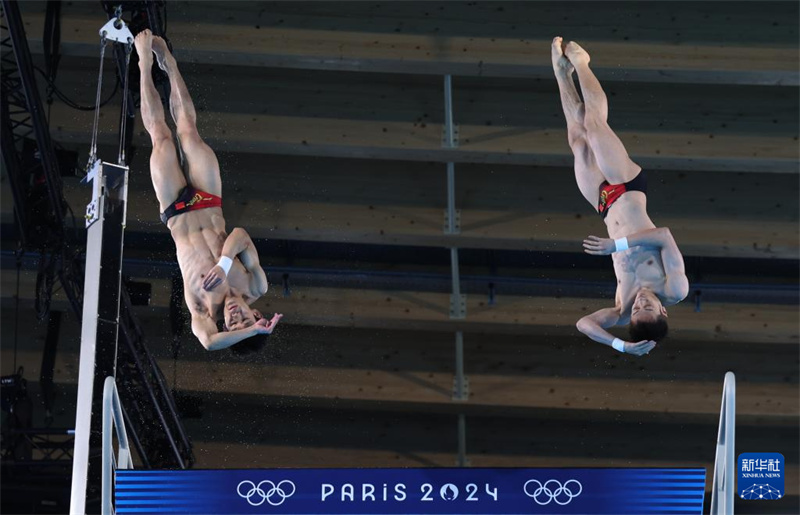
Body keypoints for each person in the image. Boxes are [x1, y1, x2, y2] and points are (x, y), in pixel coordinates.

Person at [134, 29, 282, 353]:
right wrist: (224, 264)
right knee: (188, 132)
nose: (234, 317)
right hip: (207, 199)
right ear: (256, 313)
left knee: (161, 138)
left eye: (233, 325)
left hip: (176, 212)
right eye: (245, 319)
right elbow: (240, 235)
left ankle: (144, 62)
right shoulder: (255, 285)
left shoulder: (203, 310)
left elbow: (209, 344)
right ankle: (169, 64)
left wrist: (249, 331)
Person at [551, 37, 689, 356]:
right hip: (627, 187)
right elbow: (664, 236)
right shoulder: (674, 288)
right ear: (664, 310)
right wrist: (617, 245)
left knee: (578, 139)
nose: (640, 302)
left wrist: (620, 344)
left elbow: (584, 324)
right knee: (594, 124)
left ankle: (562, 74)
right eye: (648, 307)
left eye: (637, 309)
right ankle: (581, 62)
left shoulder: (621, 309)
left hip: (603, 203)